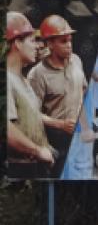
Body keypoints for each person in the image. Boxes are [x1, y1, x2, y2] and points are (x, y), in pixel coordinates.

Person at [27, 14, 91, 178]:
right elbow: (29, 114)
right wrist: (60, 124)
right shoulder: (38, 74)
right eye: (63, 41)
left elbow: (84, 93)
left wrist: (84, 125)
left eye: (70, 40)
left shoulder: (76, 61)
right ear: (49, 43)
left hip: (78, 139)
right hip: (53, 142)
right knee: (56, 185)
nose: (69, 46)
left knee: (81, 182)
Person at [5, 11, 55, 177]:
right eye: (33, 41)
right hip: (18, 171)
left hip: (34, 169)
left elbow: (30, 116)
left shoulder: (24, 81)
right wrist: (38, 150)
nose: (38, 46)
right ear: (18, 43)